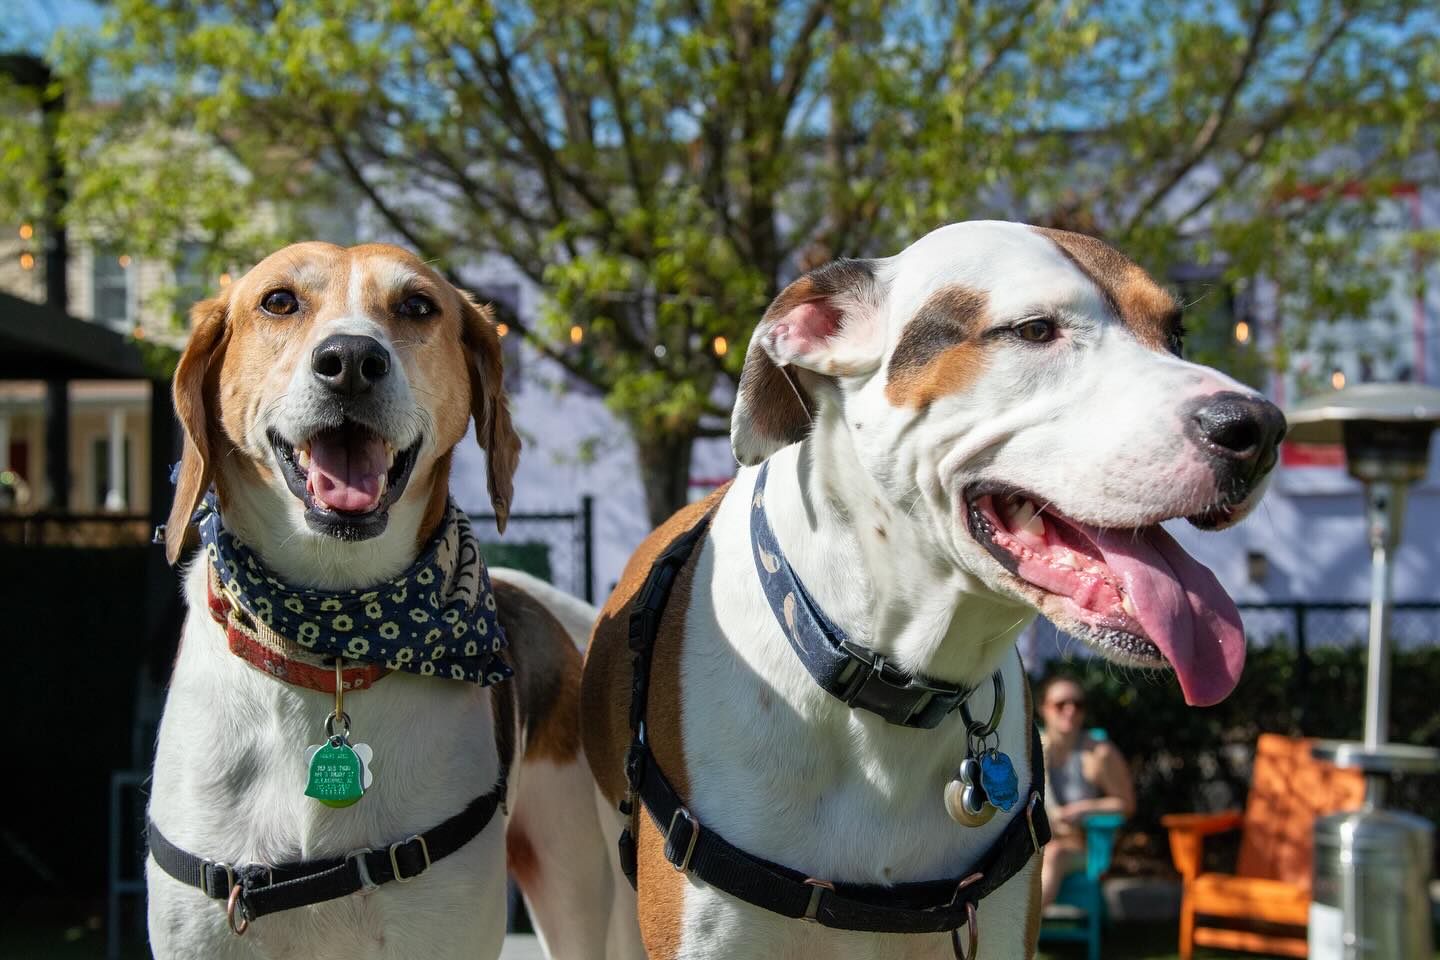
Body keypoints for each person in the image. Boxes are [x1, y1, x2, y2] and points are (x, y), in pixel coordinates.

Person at [1038, 676, 1135, 908]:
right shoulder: (1033, 749)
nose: (1070, 710)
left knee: (1054, 855)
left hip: (1078, 846)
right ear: (1044, 709)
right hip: (1035, 843)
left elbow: (1126, 804)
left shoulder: (1098, 753)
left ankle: (1021, 935)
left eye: (1078, 704)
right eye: (1061, 704)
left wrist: (1081, 810)